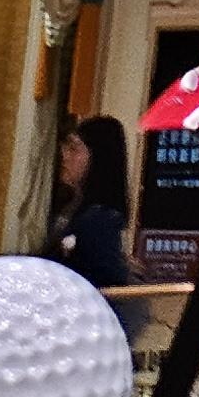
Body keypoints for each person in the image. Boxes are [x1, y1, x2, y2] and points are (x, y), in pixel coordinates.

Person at [47, 119, 135, 294]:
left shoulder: (99, 220)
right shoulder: (74, 208)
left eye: (73, 149)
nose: (64, 156)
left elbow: (105, 282)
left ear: (98, 157)